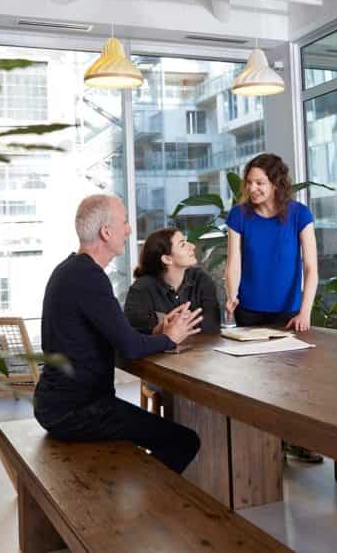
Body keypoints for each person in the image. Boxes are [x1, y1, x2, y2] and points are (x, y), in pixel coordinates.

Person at [33, 194, 203, 474]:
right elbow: (131, 348)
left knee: (160, 435)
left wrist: (156, 331)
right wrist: (171, 338)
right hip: (76, 412)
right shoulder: (89, 278)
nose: (129, 229)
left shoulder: (70, 270)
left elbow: (115, 334)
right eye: (125, 222)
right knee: (184, 441)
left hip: (56, 404)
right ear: (106, 232)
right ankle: (147, 508)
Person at [224, 153, 322, 463]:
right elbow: (234, 263)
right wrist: (231, 295)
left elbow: (311, 267)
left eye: (260, 183)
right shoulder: (239, 216)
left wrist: (305, 311)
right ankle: (263, 451)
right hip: (249, 312)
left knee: (294, 384)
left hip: (289, 314)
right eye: (249, 182)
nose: (253, 188)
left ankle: (296, 442)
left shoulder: (299, 214)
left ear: (277, 184)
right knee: (256, 385)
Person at [125, 227, 221, 336]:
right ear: (167, 259)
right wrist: (182, 323)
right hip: (159, 352)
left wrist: (169, 323)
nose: (192, 246)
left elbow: (212, 325)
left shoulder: (201, 279)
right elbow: (136, 334)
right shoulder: (141, 289)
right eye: (182, 244)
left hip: (201, 350)